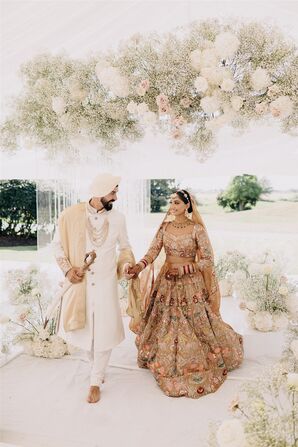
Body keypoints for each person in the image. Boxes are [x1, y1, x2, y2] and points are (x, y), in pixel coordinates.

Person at [128, 189, 244, 398]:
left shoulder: (196, 229)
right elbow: (153, 251)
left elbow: (207, 259)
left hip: (190, 283)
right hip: (167, 283)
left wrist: (184, 269)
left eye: (177, 203)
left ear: (187, 206)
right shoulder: (165, 228)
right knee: (164, 320)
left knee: (197, 321)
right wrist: (139, 266)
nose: (172, 207)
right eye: (171, 203)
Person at [52, 173, 135, 403]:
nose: (116, 197)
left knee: (105, 331)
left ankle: (95, 381)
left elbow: (125, 247)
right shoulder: (70, 215)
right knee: (86, 330)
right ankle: (94, 367)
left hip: (107, 284)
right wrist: (68, 270)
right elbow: (56, 246)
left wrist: (126, 265)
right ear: (100, 191)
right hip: (82, 285)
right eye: (113, 192)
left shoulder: (118, 219)